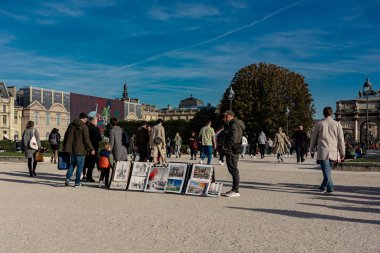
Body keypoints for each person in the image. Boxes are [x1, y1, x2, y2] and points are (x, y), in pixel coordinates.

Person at [310, 106, 345, 195]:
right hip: (333, 150)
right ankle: (322, 186)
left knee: (326, 170)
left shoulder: (319, 124)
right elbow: (341, 139)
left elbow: (313, 138)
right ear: (331, 113)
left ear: (323, 113)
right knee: (327, 170)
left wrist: (312, 149)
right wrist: (342, 152)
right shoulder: (337, 124)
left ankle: (329, 188)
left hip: (323, 150)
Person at [63, 113, 95, 187]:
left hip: (72, 149)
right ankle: (77, 182)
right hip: (80, 150)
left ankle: (67, 179)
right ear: (84, 118)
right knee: (80, 166)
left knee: (72, 164)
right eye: (86, 118)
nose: (86, 120)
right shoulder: (84, 126)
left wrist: (65, 146)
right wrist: (91, 149)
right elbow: (87, 139)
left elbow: (66, 136)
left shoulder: (71, 125)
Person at [222, 110, 245, 197]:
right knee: (233, 169)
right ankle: (234, 189)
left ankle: (235, 190)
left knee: (233, 169)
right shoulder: (234, 124)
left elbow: (233, 138)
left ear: (231, 116)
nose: (224, 118)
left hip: (232, 150)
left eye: (226, 116)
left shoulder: (234, 125)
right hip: (234, 149)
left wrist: (226, 147)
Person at [83, 117, 102, 182]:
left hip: (86, 147)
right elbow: (99, 138)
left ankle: (84, 175)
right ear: (94, 121)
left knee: (86, 162)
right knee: (92, 163)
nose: (97, 122)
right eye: (96, 121)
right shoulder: (96, 129)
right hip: (94, 147)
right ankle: (89, 177)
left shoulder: (86, 128)